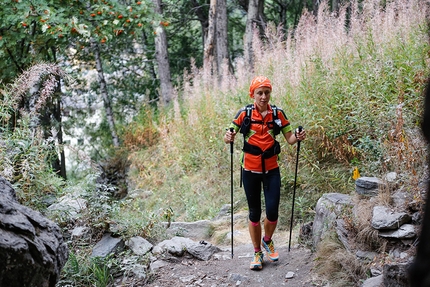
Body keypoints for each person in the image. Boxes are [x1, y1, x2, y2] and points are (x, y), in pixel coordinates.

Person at [223, 75, 306, 270]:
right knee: (254, 213)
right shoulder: (244, 114)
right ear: (252, 94)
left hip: (271, 170)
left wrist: (299, 135)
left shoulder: (277, 114)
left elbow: (290, 139)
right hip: (250, 170)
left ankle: (267, 240)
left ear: (270, 94)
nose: (263, 96)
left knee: (273, 212)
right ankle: (257, 253)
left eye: (266, 92)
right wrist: (228, 137)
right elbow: (229, 135)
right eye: (259, 93)